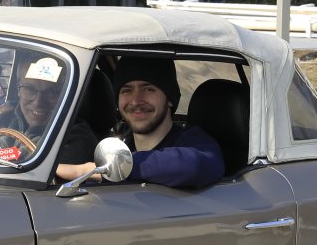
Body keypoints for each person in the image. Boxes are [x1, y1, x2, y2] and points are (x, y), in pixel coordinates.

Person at [61, 56, 224, 188]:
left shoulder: (194, 142)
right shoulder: (118, 142)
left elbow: (195, 166)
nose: (135, 101)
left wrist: (89, 170)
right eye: (127, 90)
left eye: (148, 89)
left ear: (170, 99)